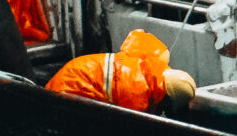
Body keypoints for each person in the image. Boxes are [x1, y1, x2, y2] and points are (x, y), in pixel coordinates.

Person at [47, 28, 197, 113]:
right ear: (167, 97)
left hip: (71, 75)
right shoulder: (137, 92)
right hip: (65, 95)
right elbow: (130, 127)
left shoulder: (147, 67)